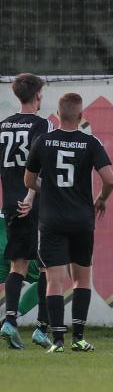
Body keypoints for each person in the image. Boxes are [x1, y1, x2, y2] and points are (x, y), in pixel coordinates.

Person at [24, 93, 113, 353]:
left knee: (54, 281)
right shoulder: (90, 142)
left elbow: (29, 181)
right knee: (82, 279)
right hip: (81, 220)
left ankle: (58, 341)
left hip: (51, 220)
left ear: (57, 114)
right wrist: (101, 199)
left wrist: (48, 188)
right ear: (81, 116)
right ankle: (80, 338)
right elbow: (110, 180)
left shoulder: (43, 141)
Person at [0, 73, 53, 349]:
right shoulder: (42, 124)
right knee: (47, 266)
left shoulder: (3, 126)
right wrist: (31, 195)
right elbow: (39, 163)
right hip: (35, 203)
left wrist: (12, 197)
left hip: (11, 203)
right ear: (37, 96)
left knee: (17, 265)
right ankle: (42, 328)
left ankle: (9, 322)